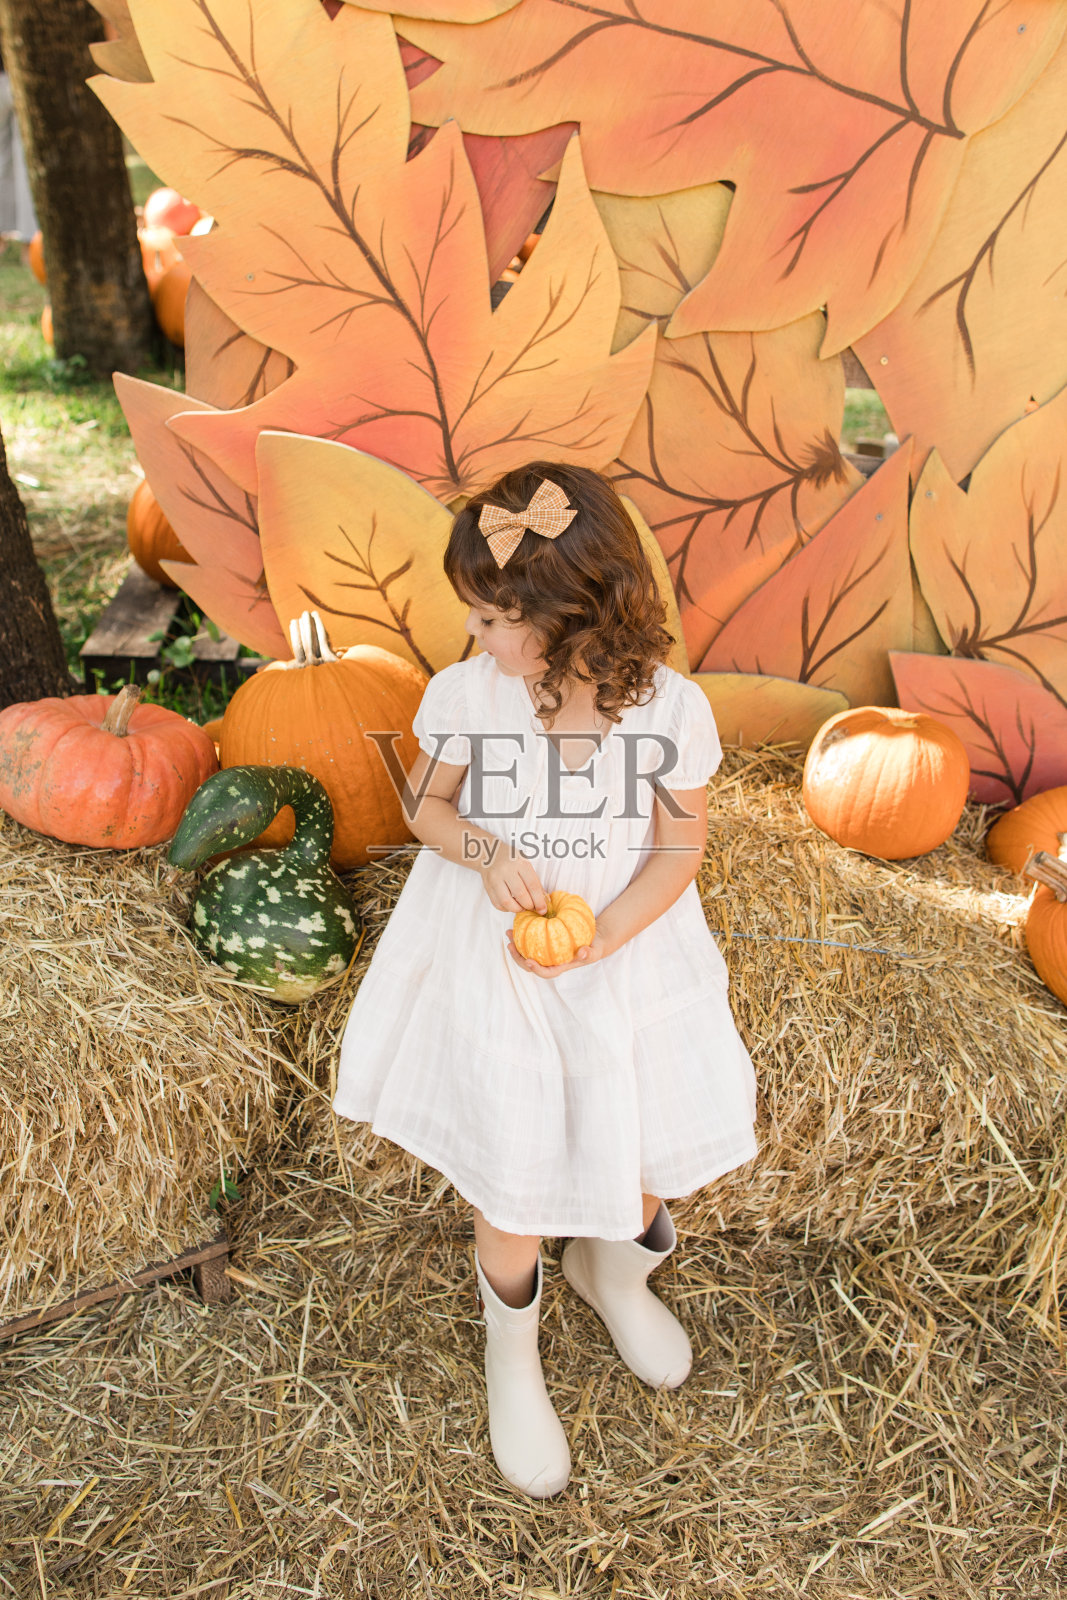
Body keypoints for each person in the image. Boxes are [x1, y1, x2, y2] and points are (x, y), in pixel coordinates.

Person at [332, 462, 757, 1498]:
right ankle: (510, 1354)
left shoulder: (668, 710)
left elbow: (675, 851)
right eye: (471, 615)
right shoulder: (463, 694)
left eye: (491, 618)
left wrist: (610, 930)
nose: (473, 635)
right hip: (500, 957)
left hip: (622, 951)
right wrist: (481, 853)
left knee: (649, 1155)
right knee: (513, 1177)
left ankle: (611, 1271)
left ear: (572, 613)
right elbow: (424, 811)